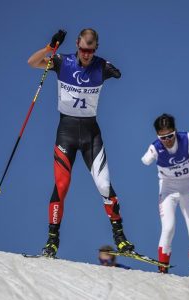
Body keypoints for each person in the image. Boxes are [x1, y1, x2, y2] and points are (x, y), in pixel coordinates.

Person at [27, 28, 134, 257]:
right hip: (66, 133)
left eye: (91, 50)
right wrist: (49, 47)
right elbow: (32, 62)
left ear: (96, 49)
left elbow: (119, 73)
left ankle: (120, 237)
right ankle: (52, 240)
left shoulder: (101, 66)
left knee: (104, 185)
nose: (86, 54)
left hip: (91, 135)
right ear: (77, 44)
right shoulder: (61, 61)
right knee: (62, 185)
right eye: (84, 49)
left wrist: (113, 71)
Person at [141, 114, 189, 279]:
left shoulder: (187, 139)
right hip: (168, 190)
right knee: (168, 228)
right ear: (158, 136)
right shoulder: (155, 148)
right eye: (163, 137)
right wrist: (152, 153)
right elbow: (144, 160)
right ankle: (162, 269)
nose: (168, 140)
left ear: (175, 131)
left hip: (188, 188)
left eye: (170, 135)